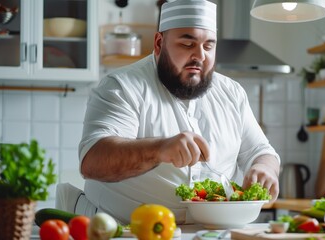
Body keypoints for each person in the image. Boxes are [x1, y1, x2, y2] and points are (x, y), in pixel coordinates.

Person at [71, 0, 280, 225]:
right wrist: (159, 149)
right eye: (187, 44)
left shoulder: (232, 93)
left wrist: (264, 168)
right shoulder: (122, 86)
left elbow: (260, 150)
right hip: (126, 231)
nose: (200, 56)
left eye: (208, 46)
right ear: (159, 43)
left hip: (211, 233)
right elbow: (93, 160)